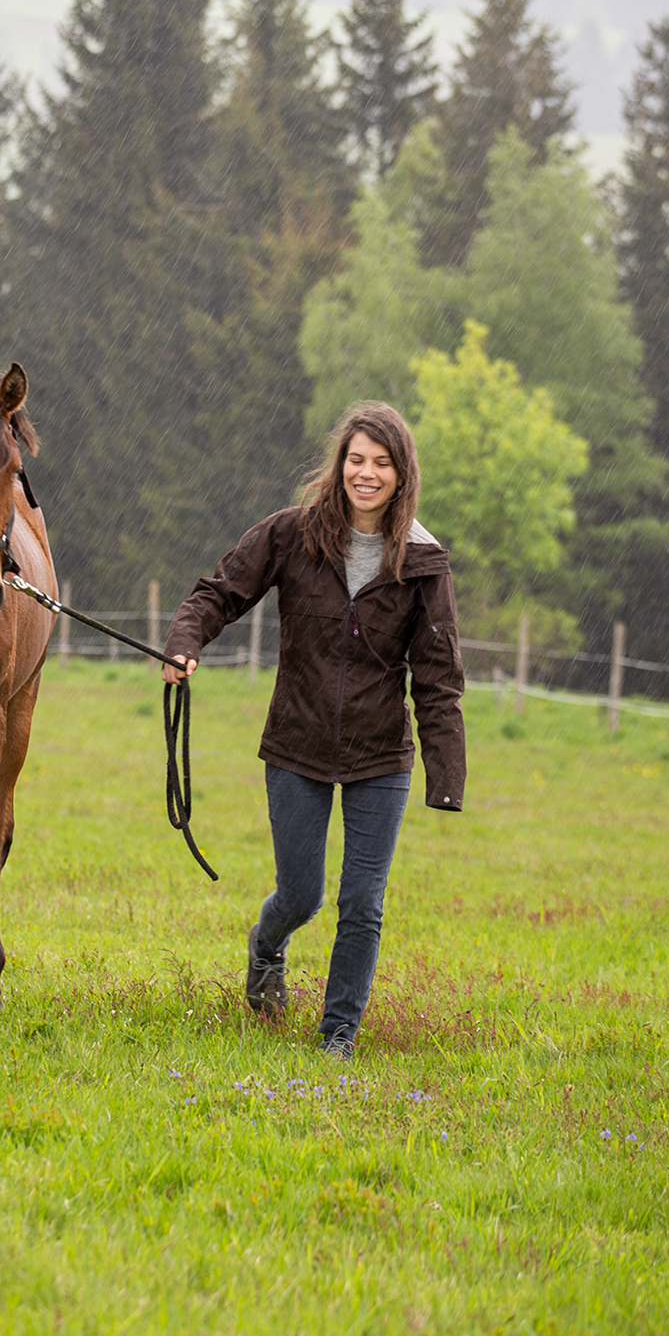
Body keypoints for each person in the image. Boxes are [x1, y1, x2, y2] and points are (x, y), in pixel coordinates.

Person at [161, 401, 464, 1059]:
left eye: (382, 464)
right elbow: (218, 593)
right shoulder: (292, 535)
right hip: (296, 745)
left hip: (380, 755)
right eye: (357, 460)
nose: (367, 474)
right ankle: (268, 944)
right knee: (302, 894)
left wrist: (446, 775)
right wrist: (185, 643)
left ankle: (338, 1036)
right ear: (341, 465)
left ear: (401, 474)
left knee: (362, 904)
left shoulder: (423, 562)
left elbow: (439, 676)